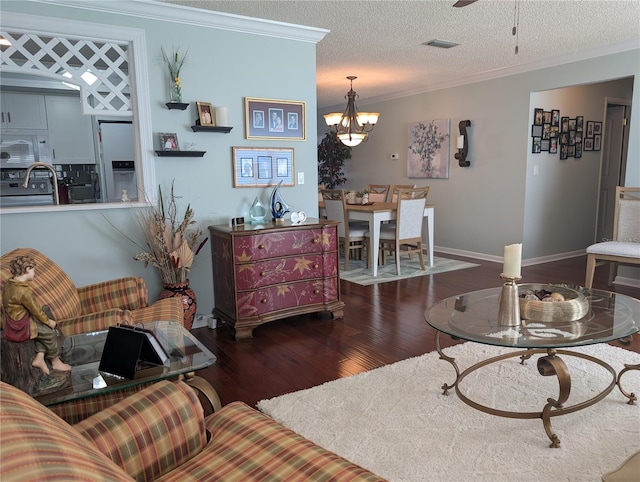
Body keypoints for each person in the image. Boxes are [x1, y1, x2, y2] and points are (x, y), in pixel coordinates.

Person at [1, 255, 71, 375]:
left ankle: (39, 357)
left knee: (43, 331)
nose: (34, 273)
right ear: (27, 269)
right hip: (21, 325)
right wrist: (49, 322)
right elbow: (36, 311)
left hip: (14, 320)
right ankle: (55, 361)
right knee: (49, 333)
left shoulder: (10, 283)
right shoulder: (24, 292)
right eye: (33, 270)